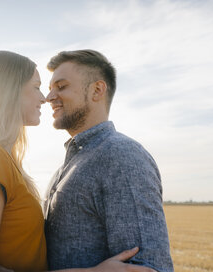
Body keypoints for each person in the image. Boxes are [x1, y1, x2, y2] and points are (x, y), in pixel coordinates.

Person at [0, 50, 156, 272]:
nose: (45, 97)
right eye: (36, 87)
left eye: (60, 87)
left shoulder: (2, 160)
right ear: (7, 91)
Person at [44, 50, 174, 272]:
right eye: (50, 89)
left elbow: (149, 268)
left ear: (97, 90)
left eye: (61, 86)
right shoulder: (63, 169)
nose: (49, 97)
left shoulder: (121, 156)